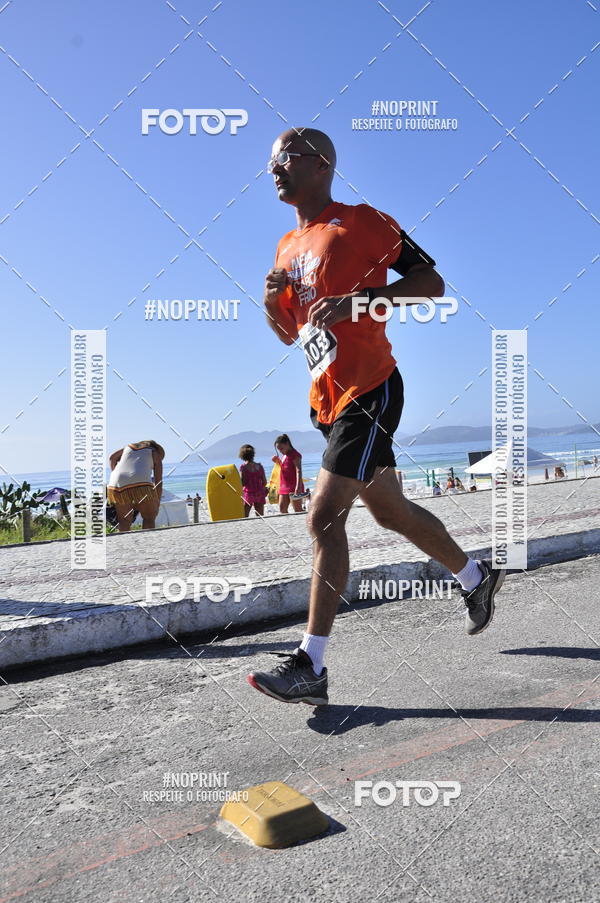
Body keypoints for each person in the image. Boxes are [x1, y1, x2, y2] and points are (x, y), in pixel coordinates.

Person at [247, 127, 506, 705]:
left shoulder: (360, 222)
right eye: (270, 161)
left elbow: (431, 282)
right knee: (390, 513)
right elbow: (294, 334)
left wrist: (364, 301)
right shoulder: (288, 246)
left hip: (372, 390)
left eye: (283, 158)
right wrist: (271, 305)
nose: (273, 169)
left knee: (322, 520)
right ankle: (475, 577)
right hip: (327, 401)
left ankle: (311, 665)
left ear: (321, 164)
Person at [107, 440, 164, 531]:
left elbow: (112, 458)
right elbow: (158, 482)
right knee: (149, 517)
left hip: (116, 481)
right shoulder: (154, 452)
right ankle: (147, 540)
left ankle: (125, 543)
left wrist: (118, 475)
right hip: (141, 481)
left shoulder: (128, 447)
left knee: (124, 520)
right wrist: (157, 501)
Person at [273, 434, 305, 513]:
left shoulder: (295, 455)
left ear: (287, 444)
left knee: (298, 510)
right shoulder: (284, 455)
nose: (280, 451)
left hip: (294, 486)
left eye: (281, 448)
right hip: (284, 486)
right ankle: (289, 525)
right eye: (278, 449)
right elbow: (285, 468)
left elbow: (298, 470)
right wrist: (277, 461)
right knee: (282, 509)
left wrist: (298, 486)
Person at [239, 444, 268, 517]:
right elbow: (264, 482)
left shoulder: (243, 468)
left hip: (248, 493)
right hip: (259, 493)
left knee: (245, 516)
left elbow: (242, 483)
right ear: (253, 455)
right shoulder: (259, 466)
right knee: (260, 516)